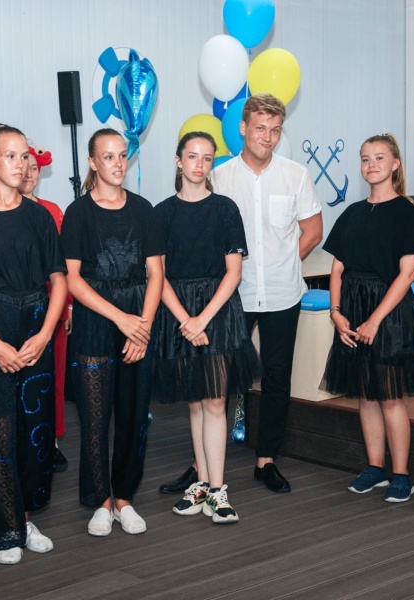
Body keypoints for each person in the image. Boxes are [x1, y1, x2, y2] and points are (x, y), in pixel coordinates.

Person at [209, 93, 322, 494]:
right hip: (233, 295)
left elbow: (313, 231)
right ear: (243, 128)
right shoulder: (219, 178)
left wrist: (286, 261)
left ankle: (266, 459)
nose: (267, 137)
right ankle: (205, 464)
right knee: (219, 378)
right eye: (260, 128)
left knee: (276, 377)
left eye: (275, 130)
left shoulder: (296, 175)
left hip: (282, 293)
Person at [152, 132, 261, 524]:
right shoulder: (161, 213)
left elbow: (233, 273)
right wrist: (186, 320)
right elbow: (158, 275)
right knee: (195, 401)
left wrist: (203, 319)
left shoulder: (225, 209)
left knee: (216, 401)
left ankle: (218, 490)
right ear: (178, 160)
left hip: (218, 312)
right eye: (192, 156)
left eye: (207, 158)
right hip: (178, 313)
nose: (199, 164)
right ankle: (200, 484)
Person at [61, 128, 165, 536]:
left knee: (134, 416)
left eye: (122, 155)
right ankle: (100, 501)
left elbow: (156, 273)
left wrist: (142, 327)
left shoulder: (144, 210)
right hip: (95, 323)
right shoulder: (78, 213)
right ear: (92, 162)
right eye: (108, 156)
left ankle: (124, 498)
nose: (118, 163)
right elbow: (73, 279)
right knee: (94, 419)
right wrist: (121, 320)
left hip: (138, 321)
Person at [321, 133, 414, 503]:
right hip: (352, 308)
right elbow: (336, 270)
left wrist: (374, 320)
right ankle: (375, 467)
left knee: (389, 396)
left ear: (395, 164)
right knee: (365, 395)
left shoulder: (408, 213)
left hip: (389, 310)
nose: (372, 165)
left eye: (380, 158)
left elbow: (408, 274)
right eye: (366, 158)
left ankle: (401, 475)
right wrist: (336, 313)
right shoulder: (352, 213)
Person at [0, 124, 68, 563]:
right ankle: (3, 525)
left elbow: (59, 280)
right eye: (10, 155)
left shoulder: (38, 217)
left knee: (35, 429)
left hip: (35, 324)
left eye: (24, 156)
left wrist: (45, 334)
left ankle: (25, 518)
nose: (20, 164)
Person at [18, 143, 70, 473]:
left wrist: (68, 307)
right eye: (23, 166)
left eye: (34, 168)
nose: (28, 173)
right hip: (17, 309)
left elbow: (63, 266)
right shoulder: (0, 211)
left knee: (55, 377)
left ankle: (52, 442)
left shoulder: (52, 210)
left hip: (55, 307)